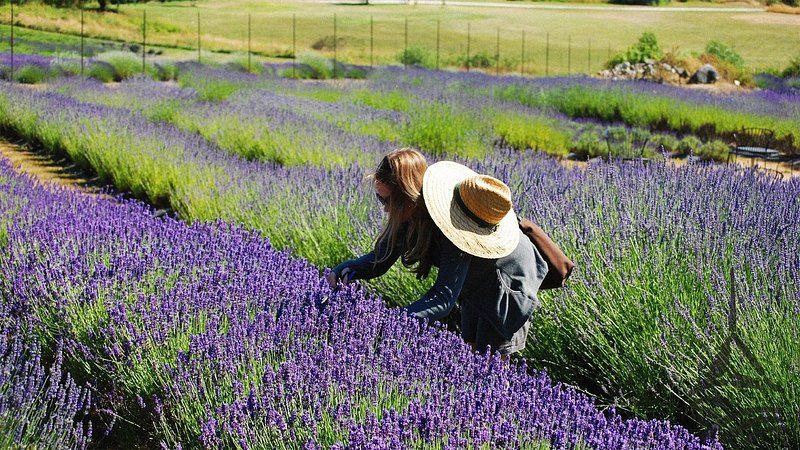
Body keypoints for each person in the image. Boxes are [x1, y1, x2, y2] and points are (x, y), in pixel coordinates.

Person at [326, 148, 547, 356]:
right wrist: (343, 270)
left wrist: (395, 322)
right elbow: (379, 260)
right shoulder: (408, 215)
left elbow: (443, 299)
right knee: (472, 352)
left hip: (505, 279)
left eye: (387, 200)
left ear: (408, 198)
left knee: (491, 361)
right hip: (472, 279)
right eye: (379, 198)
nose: (384, 208)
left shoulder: (453, 228)